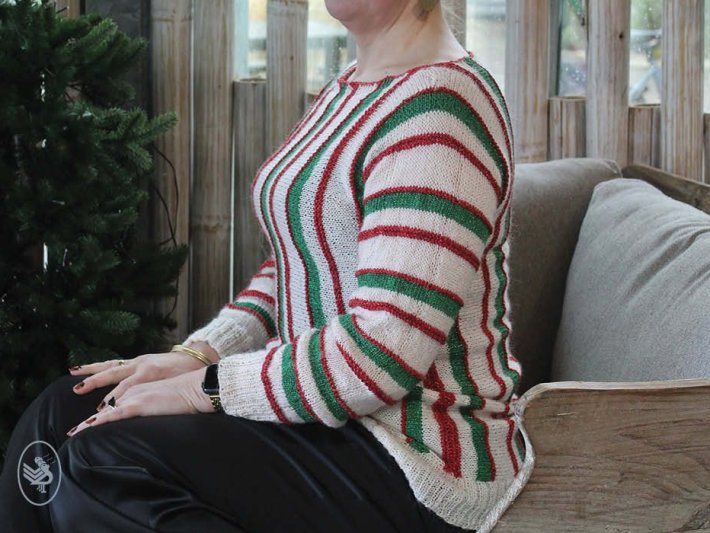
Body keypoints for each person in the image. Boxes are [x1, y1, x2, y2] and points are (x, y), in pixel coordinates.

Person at [0, 0, 533, 531]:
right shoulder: (352, 86)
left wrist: (206, 387)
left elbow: (381, 355)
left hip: (417, 454)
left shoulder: (442, 108)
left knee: (108, 460)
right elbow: (298, 264)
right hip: (331, 417)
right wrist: (196, 356)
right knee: (62, 413)